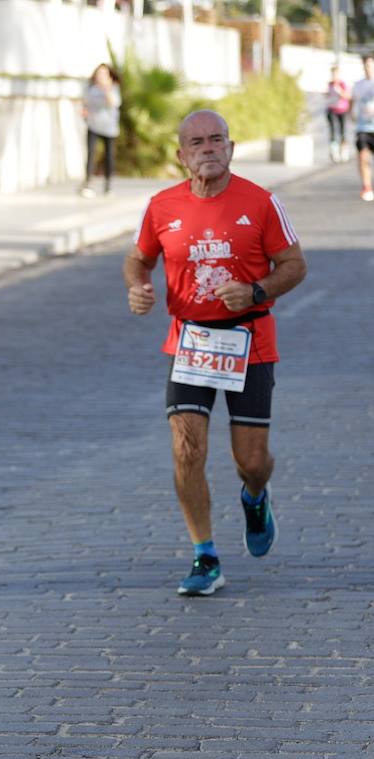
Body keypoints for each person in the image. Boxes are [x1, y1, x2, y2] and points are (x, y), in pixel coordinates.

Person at [122, 110, 306, 597]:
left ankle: (255, 496)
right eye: (196, 142)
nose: (208, 148)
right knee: (187, 448)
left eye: (216, 139)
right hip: (190, 342)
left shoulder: (261, 202)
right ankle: (205, 555)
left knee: (251, 460)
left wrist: (257, 291)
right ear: (181, 155)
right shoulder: (161, 206)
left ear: (231, 147)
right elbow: (138, 259)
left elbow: (294, 265)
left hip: (249, 339)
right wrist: (138, 286)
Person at [80, 63, 121, 198]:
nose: (100, 76)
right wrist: (84, 110)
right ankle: (88, 184)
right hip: (93, 125)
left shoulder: (113, 87)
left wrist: (106, 88)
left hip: (109, 127)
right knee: (91, 154)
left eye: (104, 74)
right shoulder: (91, 87)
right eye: (98, 73)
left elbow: (113, 103)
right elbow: (85, 102)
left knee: (109, 156)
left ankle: (108, 185)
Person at [351, 55, 374, 201]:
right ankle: (367, 186)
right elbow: (353, 102)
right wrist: (351, 114)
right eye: (366, 65)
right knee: (362, 156)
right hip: (363, 127)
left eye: (371, 65)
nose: (368, 68)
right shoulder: (358, 85)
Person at [325, 63, 352, 164]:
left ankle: (344, 151)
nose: (334, 76)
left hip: (342, 110)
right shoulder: (330, 84)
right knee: (332, 131)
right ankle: (334, 151)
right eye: (333, 74)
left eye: (336, 74)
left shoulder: (342, 84)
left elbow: (347, 96)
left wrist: (340, 91)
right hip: (332, 109)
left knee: (343, 131)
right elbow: (327, 96)